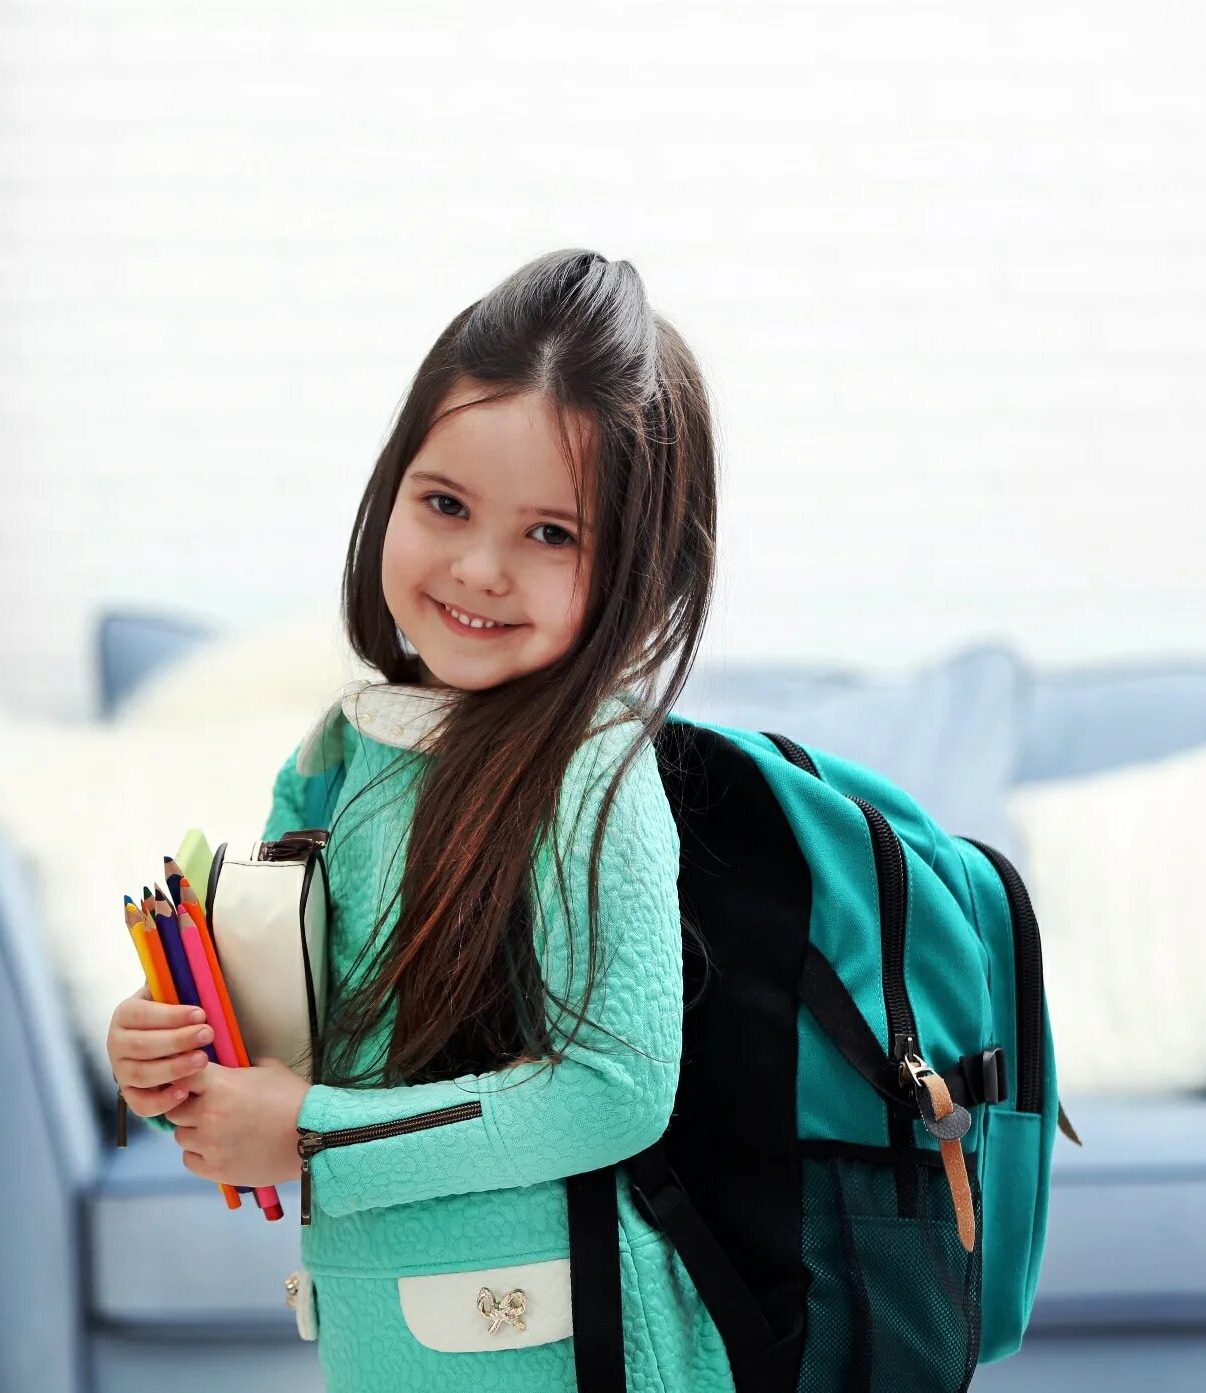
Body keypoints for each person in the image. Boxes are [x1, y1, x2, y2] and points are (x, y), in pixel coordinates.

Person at [106, 248, 729, 1389]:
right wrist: (170, 1066)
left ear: (638, 565)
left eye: (553, 533)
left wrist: (310, 1136)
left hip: (560, 1349)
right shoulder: (344, 751)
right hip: (382, 1338)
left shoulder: (590, 771)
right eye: (444, 504)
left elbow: (616, 1091)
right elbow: (279, 1059)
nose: (480, 567)